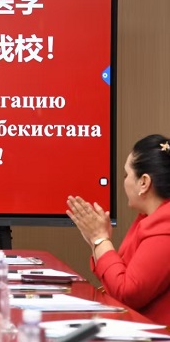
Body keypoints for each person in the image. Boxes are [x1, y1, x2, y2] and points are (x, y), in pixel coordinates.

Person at [66, 134, 170, 326]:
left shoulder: (165, 223)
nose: (124, 181)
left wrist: (100, 239)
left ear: (144, 182)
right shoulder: (150, 218)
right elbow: (116, 281)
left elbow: (127, 293)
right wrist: (96, 241)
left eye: (126, 175)